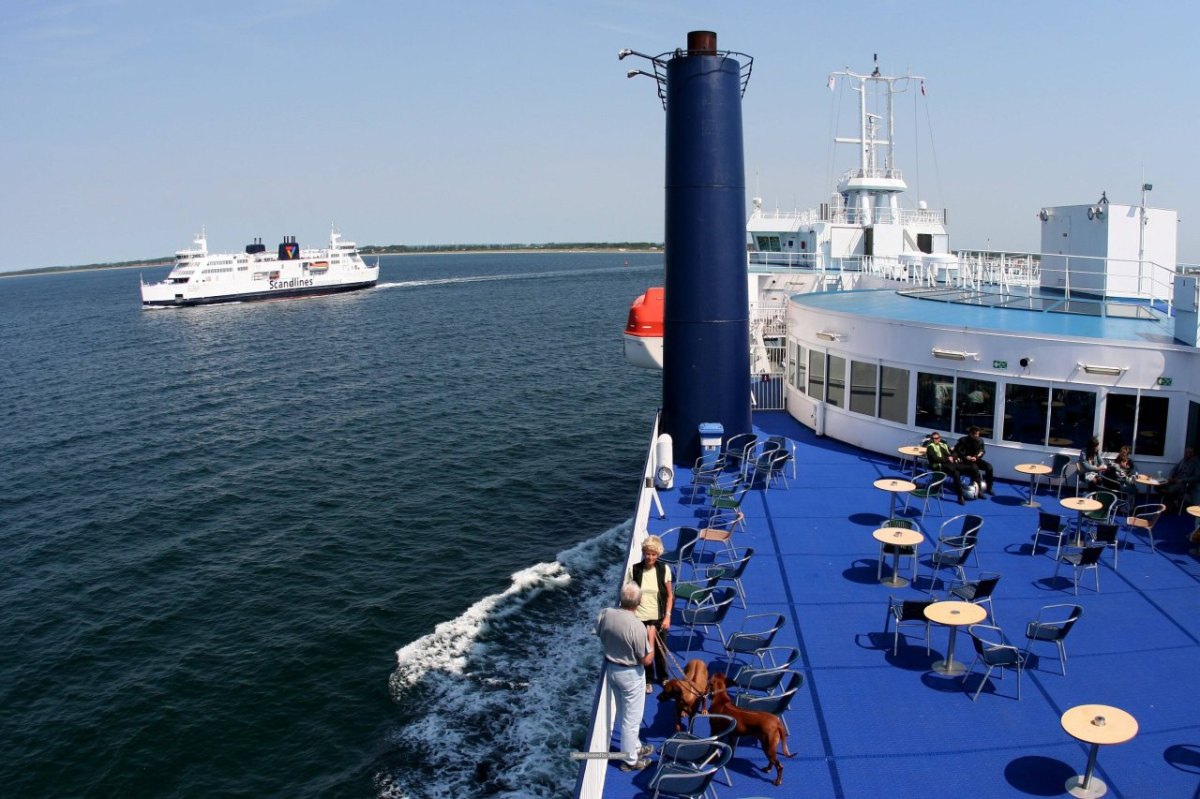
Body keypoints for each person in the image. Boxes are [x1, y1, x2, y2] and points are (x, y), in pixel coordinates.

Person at [595, 583, 656, 771]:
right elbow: (647, 659)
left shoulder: (605, 613)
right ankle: (630, 761)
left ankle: (636, 748)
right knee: (632, 719)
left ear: (621, 599)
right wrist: (651, 636)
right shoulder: (637, 626)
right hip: (630, 675)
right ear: (638, 602)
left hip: (611, 670)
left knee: (623, 712)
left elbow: (598, 633)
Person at [625, 535, 673, 691]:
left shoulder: (664, 569)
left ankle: (664, 677)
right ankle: (648, 680)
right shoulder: (634, 570)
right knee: (644, 651)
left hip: (658, 618)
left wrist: (667, 617)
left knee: (660, 650)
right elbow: (628, 595)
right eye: (647, 553)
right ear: (643, 553)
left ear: (658, 554)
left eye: (653, 554)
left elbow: (670, 595)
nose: (650, 557)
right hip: (640, 619)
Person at [924, 431, 970, 504]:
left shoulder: (944, 445)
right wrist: (947, 459)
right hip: (940, 466)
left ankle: (960, 495)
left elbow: (951, 453)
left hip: (949, 465)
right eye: (933, 438)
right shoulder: (930, 447)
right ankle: (960, 495)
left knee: (956, 473)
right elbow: (934, 458)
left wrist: (953, 456)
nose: (935, 440)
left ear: (940, 438)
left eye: (937, 438)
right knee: (957, 470)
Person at [954, 426, 995, 497]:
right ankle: (979, 491)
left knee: (989, 467)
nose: (977, 436)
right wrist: (966, 457)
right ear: (970, 434)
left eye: (978, 434)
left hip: (976, 459)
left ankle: (989, 487)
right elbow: (958, 451)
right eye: (975, 434)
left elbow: (982, 451)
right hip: (966, 461)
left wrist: (977, 457)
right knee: (975, 469)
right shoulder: (963, 440)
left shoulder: (980, 440)